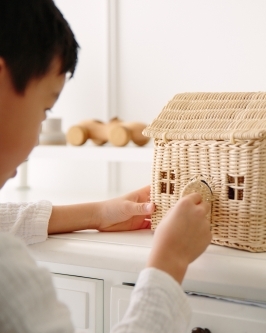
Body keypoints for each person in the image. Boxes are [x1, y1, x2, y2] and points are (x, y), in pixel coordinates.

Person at [0, 0, 212, 332]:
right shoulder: (9, 278)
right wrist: (169, 262)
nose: (37, 140)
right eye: (44, 109)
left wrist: (97, 213)